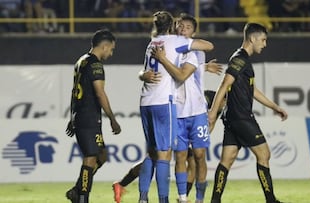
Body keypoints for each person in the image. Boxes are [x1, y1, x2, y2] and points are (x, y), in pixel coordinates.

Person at [137, 10, 213, 203]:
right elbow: (181, 73)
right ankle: (167, 199)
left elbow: (147, 68)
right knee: (166, 154)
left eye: (188, 27)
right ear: (173, 26)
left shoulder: (152, 43)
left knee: (155, 152)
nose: (183, 29)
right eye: (180, 25)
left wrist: (141, 74)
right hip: (166, 104)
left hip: (148, 101)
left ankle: (144, 197)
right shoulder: (177, 43)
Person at [207, 23, 288, 203]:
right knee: (264, 155)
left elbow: (252, 91)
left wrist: (275, 107)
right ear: (252, 39)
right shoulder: (240, 59)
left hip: (232, 118)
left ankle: (215, 201)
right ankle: (271, 200)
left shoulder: (242, 60)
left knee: (227, 160)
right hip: (242, 117)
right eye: (263, 40)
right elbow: (224, 84)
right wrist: (213, 112)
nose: (265, 44)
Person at [65, 29, 122, 203]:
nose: (111, 53)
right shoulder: (96, 65)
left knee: (101, 156)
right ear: (104, 46)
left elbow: (74, 91)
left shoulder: (81, 61)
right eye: (111, 49)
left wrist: (72, 116)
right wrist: (112, 119)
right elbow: (100, 93)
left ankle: (77, 190)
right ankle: (82, 198)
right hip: (88, 117)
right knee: (90, 158)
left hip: (83, 115)